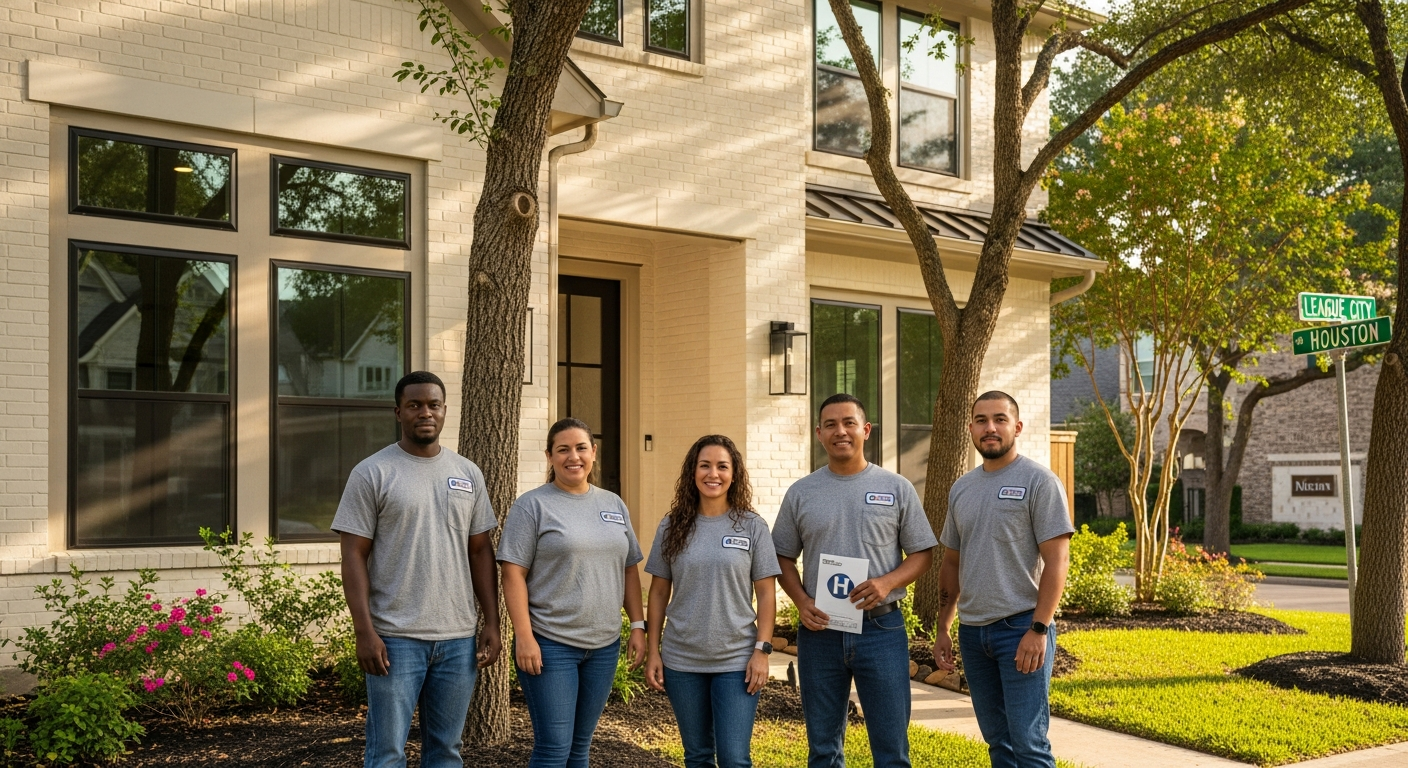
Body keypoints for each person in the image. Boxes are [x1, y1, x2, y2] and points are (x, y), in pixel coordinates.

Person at [332, 370, 501, 768]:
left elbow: (480, 552)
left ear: (444, 411)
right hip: (395, 639)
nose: (425, 412)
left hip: (458, 640)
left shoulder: (468, 473)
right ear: (399, 412)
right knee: (387, 754)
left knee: (446, 752)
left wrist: (492, 622)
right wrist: (364, 632)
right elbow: (353, 555)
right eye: (415, 405)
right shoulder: (372, 472)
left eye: (433, 404)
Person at [773, 393, 938, 768]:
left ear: (866, 430)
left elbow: (923, 554)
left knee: (892, 751)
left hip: (881, 629)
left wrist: (886, 583)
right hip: (820, 632)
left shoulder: (896, 487)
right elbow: (781, 556)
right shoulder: (801, 492)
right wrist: (801, 601)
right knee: (823, 751)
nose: (840, 431)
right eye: (830, 425)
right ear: (819, 433)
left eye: (849, 423)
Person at [497, 417, 649, 768]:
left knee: (580, 748)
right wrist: (524, 637)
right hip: (551, 644)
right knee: (553, 749)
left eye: (581, 448)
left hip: (603, 646)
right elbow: (512, 573)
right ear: (549, 456)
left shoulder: (613, 504)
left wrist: (637, 626)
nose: (573, 456)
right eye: (563, 449)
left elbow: (629, 568)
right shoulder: (532, 506)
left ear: (593, 452)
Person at [935, 391, 1074, 768]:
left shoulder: (1039, 482)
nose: (990, 428)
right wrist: (944, 627)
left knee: (1028, 743)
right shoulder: (961, 488)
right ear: (970, 429)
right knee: (998, 741)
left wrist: (1039, 628)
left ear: (1018, 427)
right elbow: (951, 562)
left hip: (1021, 628)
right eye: (981, 420)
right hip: (972, 632)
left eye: (1000, 419)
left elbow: (1057, 561)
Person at [643, 435, 782, 768]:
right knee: (698, 756)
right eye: (705, 465)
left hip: (737, 660)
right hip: (682, 660)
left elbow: (766, 594)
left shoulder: (752, 526)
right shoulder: (672, 525)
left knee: (734, 758)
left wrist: (762, 651)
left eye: (722, 466)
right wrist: (653, 651)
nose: (713, 474)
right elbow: (658, 592)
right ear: (693, 472)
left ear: (734, 474)